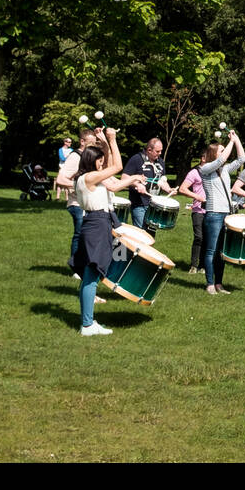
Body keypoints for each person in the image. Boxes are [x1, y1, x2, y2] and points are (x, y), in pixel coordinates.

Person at [73, 127, 146, 335]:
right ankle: (87, 324)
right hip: (97, 224)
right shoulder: (90, 177)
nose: (101, 163)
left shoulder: (88, 177)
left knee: (92, 275)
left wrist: (104, 140)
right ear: (91, 161)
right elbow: (118, 165)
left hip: (98, 223)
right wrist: (113, 140)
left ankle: (88, 321)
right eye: (98, 160)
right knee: (91, 275)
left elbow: (111, 172)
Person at [197, 130, 245, 295]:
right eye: (221, 149)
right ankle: (210, 284)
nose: (225, 152)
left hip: (226, 214)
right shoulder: (206, 169)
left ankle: (219, 284)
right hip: (213, 214)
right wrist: (230, 142)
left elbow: (241, 159)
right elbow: (222, 159)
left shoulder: (224, 169)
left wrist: (237, 139)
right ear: (214, 153)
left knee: (221, 252)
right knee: (211, 250)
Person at [55, 129, 98, 276]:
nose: (94, 146)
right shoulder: (75, 157)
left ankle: (84, 265)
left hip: (87, 203)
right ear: (82, 141)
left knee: (86, 235)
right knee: (80, 234)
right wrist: (78, 187)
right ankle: (76, 269)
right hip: (76, 204)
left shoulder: (89, 156)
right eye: (91, 143)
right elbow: (61, 179)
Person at [122, 137, 176, 232]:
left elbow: (162, 180)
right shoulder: (137, 159)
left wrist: (169, 189)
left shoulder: (160, 162)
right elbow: (124, 177)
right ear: (149, 150)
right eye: (157, 151)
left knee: (151, 234)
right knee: (141, 234)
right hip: (139, 204)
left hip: (154, 205)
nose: (160, 154)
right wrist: (137, 185)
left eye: (161, 151)